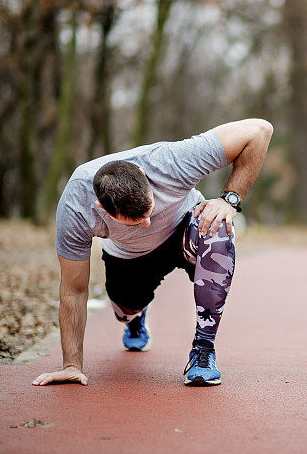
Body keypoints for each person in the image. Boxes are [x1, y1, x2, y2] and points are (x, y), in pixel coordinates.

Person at [32, 118, 273, 387]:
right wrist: (71, 365)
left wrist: (230, 199)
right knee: (124, 310)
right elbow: (73, 290)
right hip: (129, 257)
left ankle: (203, 352)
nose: (147, 223)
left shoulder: (171, 163)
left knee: (218, 227)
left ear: (144, 175)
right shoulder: (77, 208)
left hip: (184, 230)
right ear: (102, 208)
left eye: (149, 210)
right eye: (135, 221)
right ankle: (135, 317)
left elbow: (259, 130)